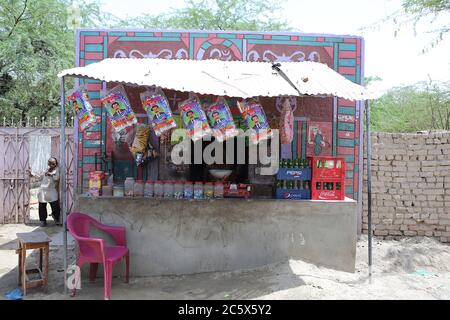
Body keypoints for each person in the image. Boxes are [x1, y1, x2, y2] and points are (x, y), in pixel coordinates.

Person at [27, 157, 61, 227]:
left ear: (55, 164)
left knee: (55, 206)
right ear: (48, 163)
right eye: (50, 163)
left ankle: (56, 218)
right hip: (43, 190)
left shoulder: (57, 170)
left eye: (53, 163)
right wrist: (32, 174)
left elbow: (57, 178)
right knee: (42, 206)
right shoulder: (46, 170)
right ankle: (43, 221)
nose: (51, 164)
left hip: (52, 190)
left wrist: (51, 174)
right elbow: (39, 177)